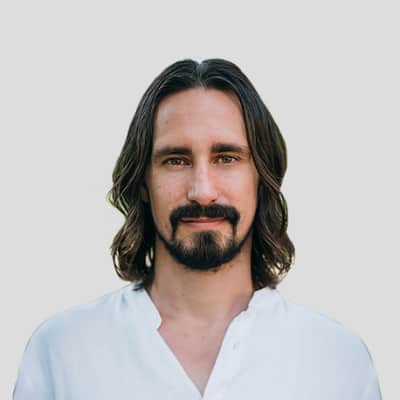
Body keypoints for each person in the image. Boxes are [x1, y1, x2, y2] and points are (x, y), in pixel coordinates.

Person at [13, 58, 382, 399]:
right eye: (176, 160)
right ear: (143, 182)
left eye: (226, 158)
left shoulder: (336, 360)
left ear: (262, 178)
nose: (202, 191)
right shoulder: (63, 351)